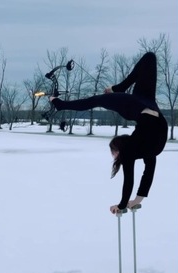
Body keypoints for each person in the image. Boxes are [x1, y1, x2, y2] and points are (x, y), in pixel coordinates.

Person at [48, 51, 168, 215]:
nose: (113, 156)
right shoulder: (135, 150)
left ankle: (63, 104)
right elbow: (138, 177)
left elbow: (141, 175)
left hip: (144, 108)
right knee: (148, 58)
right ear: (119, 148)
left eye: (112, 152)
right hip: (142, 106)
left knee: (149, 58)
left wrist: (129, 202)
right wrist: (128, 203)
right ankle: (63, 104)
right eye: (112, 152)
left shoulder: (142, 150)